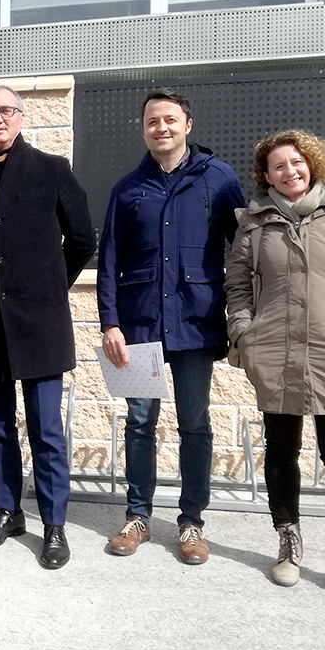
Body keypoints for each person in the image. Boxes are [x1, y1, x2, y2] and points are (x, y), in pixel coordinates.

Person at [225, 130, 325, 602]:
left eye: (296, 162)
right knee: (281, 450)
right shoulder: (254, 222)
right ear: (265, 175)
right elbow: (236, 284)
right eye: (277, 166)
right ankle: (288, 542)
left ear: (312, 163)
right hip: (274, 350)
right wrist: (244, 332)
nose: (289, 171)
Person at [98, 88, 246, 564]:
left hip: (196, 324)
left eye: (169, 120)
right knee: (140, 422)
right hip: (139, 327)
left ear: (187, 124)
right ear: (143, 130)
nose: (160, 128)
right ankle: (137, 515)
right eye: (151, 122)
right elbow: (109, 261)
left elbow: (243, 252)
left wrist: (241, 310)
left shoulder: (219, 179)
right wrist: (110, 322)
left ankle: (191, 523)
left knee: (195, 423)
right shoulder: (127, 189)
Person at [0, 84, 97, 570]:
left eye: (6, 110)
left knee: (45, 428)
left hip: (41, 322)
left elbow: (81, 239)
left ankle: (54, 523)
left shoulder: (52, 169)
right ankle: (8, 510)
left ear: (20, 117)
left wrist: (51, 283)